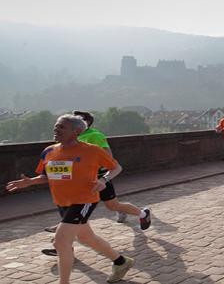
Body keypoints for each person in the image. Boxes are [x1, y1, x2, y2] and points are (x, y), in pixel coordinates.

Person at [5, 114, 134, 284]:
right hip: (62, 202)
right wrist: (29, 182)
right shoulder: (49, 151)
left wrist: (103, 180)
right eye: (56, 126)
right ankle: (121, 262)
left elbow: (117, 167)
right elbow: (47, 176)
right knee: (86, 238)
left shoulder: (92, 150)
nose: (56, 129)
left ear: (76, 131)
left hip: (85, 200)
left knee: (61, 241)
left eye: (61, 127)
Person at [41, 110, 152, 257]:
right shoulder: (67, 138)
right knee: (72, 214)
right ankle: (63, 247)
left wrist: (102, 178)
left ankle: (142, 213)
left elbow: (109, 159)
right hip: (79, 185)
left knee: (113, 206)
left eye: (77, 119)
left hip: (98, 180)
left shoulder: (96, 136)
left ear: (85, 123)